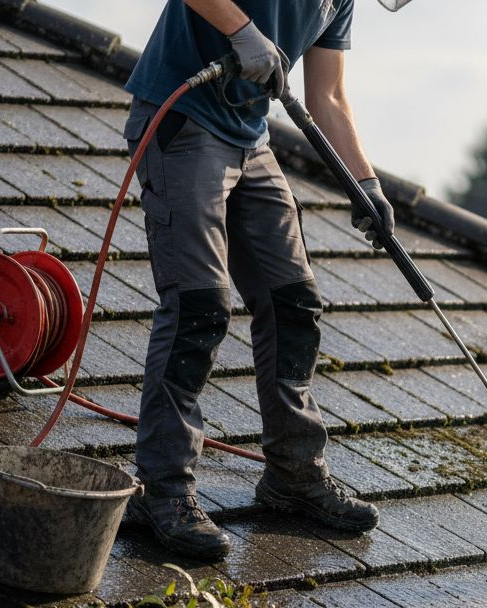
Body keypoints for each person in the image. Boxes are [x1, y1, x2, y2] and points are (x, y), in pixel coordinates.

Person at [122, 0, 400, 560]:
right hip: (184, 121)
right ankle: (164, 490)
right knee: (200, 307)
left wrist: (364, 182)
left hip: (249, 140)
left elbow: (328, 95)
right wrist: (243, 31)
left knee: (294, 301)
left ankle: (293, 475)